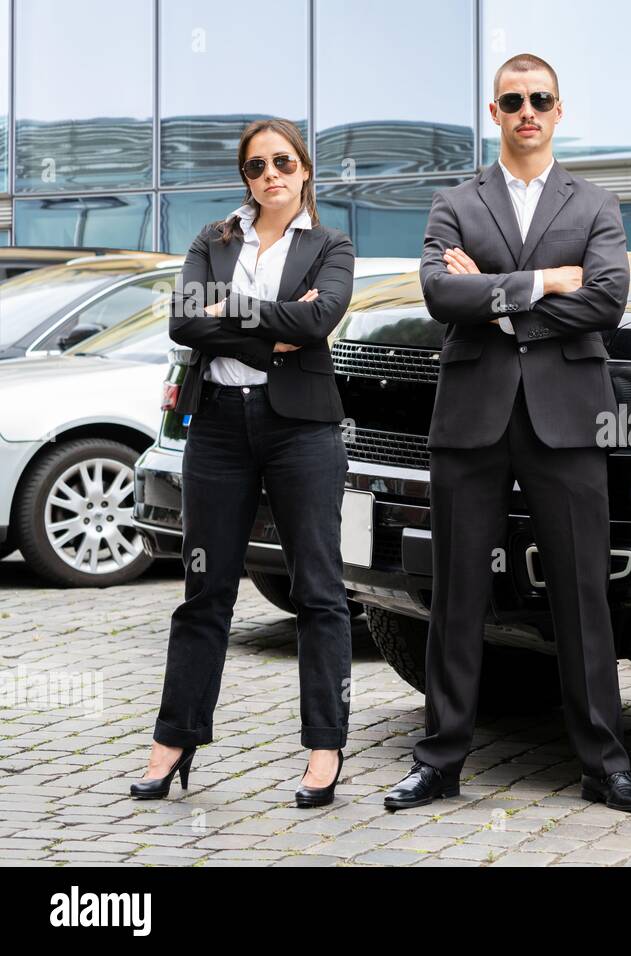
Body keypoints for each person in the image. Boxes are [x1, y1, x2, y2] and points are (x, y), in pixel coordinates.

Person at [385, 53, 631, 814]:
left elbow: (605, 300)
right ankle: (439, 759)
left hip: (566, 417)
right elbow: (440, 293)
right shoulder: (455, 201)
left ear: (559, 110)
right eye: (512, 100)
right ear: (494, 112)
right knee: (457, 593)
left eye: (539, 99)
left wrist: (494, 298)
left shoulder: (596, 202)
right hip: (473, 417)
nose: (526, 110)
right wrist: (544, 281)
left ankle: (605, 762)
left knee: (582, 594)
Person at [131, 118, 356, 810]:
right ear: (246, 178)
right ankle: (174, 739)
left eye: (282, 162)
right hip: (219, 429)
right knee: (205, 591)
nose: (270, 176)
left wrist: (238, 311)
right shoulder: (214, 238)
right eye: (256, 167)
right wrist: (270, 333)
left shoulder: (331, 245)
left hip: (302, 432)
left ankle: (325, 745)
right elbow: (183, 319)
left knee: (318, 590)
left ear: (304, 169)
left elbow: (318, 324)